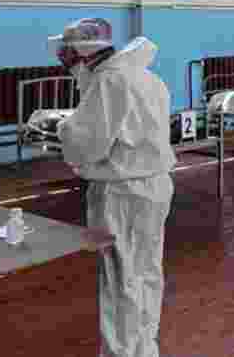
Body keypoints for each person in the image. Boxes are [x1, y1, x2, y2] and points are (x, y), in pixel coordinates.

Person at [48, 18, 175, 357]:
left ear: (80, 53)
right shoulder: (148, 77)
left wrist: (62, 128)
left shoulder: (109, 81)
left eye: (69, 57)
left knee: (120, 278)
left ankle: (121, 353)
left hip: (122, 192)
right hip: (155, 184)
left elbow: (88, 143)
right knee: (147, 270)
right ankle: (144, 348)